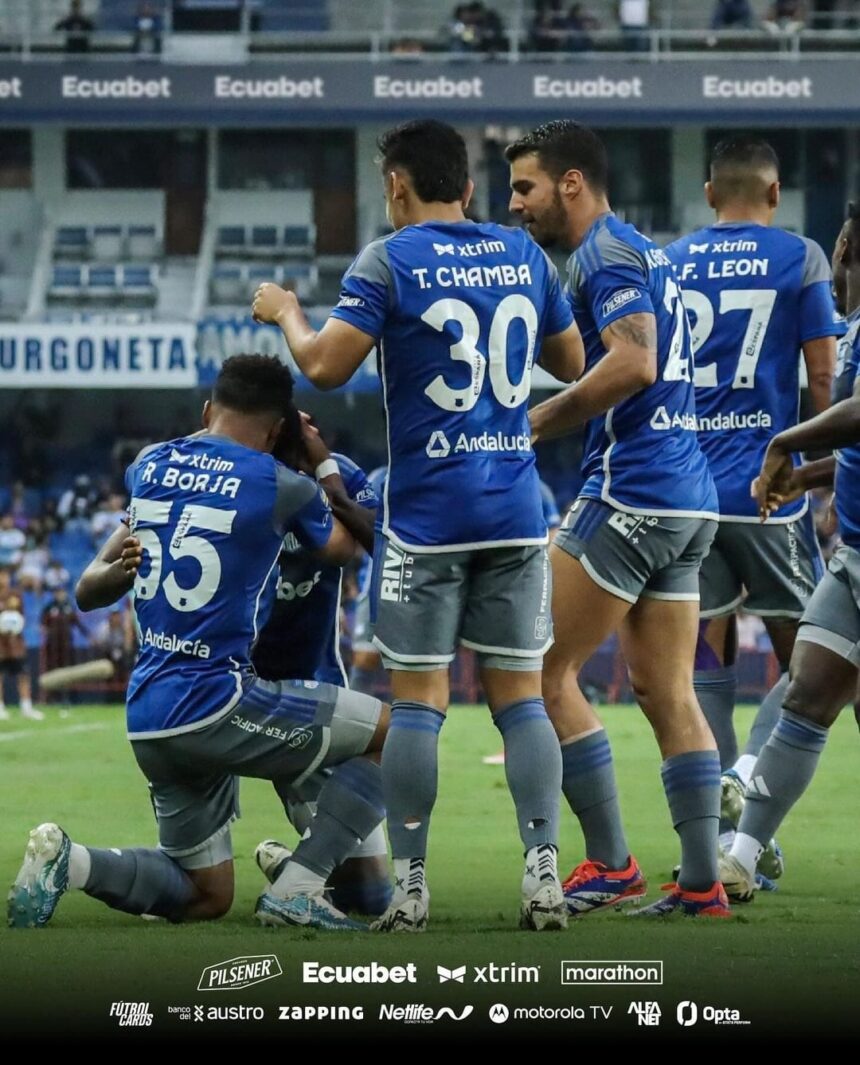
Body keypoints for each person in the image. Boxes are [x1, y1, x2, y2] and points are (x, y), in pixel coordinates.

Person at [252, 119, 585, 932]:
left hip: (429, 519)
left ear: (397, 185)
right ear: (469, 186)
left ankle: (411, 888)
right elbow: (576, 364)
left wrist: (288, 313)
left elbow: (325, 366)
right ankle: (543, 873)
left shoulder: (389, 258)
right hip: (514, 509)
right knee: (522, 701)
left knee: (420, 703)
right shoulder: (523, 255)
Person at [8, 355, 389, 933]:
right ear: (276, 430)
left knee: (205, 894)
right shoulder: (278, 484)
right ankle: (300, 885)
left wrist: (119, 576)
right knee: (398, 730)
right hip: (221, 700)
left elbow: (88, 589)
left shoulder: (150, 465)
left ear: (208, 409)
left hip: (150, 716)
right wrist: (323, 461)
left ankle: (71, 860)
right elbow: (345, 546)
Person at [507, 119, 728, 918]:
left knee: (539, 671)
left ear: (571, 182)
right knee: (667, 690)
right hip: (686, 497)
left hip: (633, 491)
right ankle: (702, 883)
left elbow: (632, 362)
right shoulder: (636, 251)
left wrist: (534, 421)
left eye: (525, 187)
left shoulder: (604, 253)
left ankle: (609, 862)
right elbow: (582, 353)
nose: (516, 204)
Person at [665, 135, 841, 877]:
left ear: (709, 193)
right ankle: (745, 774)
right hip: (770, 493)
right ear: (775, 195)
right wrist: (828, 479)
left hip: (689, 493)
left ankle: (724, 839)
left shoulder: (669, 261)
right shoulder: (800, 257)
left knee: (703, 652)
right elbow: (826, 378)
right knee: (816, 658)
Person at [719, 203, 860, 901]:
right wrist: (807, 476)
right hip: (856, 558)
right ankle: (740, 857)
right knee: (806, 694)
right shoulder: (856, 328)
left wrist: (786, 443)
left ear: (844, 249)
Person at [250, 413, 391, 918]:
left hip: (316, 681)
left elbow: (381, 543)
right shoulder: (240, 477)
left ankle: (297, 870)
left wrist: (326, 469)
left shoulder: (341, 473)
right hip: (235, 684)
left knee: (371, 899)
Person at [0, 569, 43, 721]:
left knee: (23, 675)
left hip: (16, 644)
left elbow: (21, 617)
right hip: (1, 646)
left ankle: (26, 706)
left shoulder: (14, 595)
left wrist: (14, 627)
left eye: (4, 575)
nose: (3, 579)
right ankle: (0, 707)